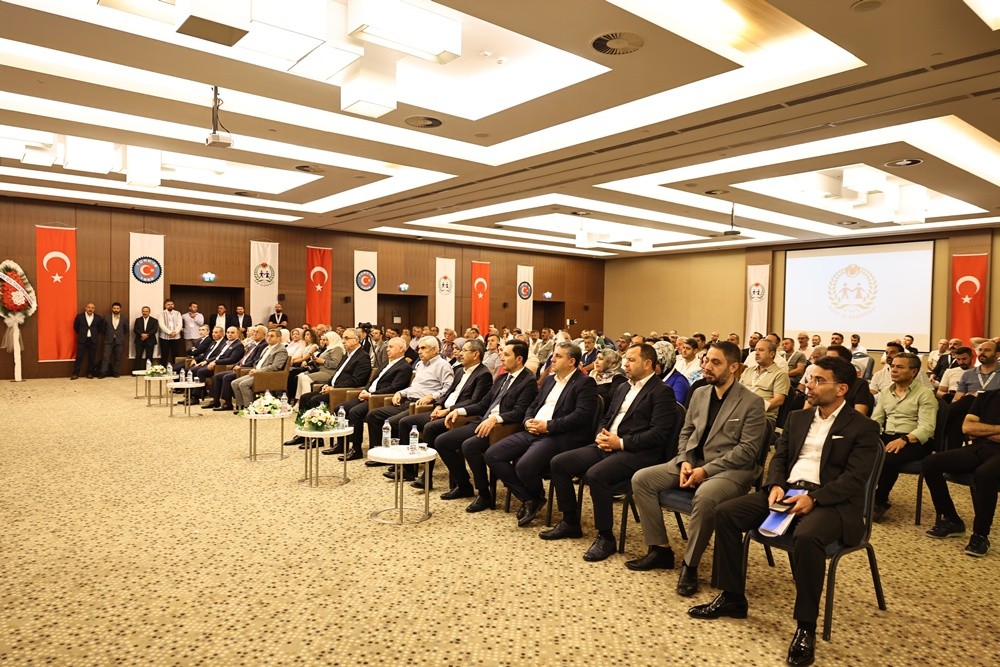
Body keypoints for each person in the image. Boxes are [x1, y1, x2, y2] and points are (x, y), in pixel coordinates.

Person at [688, 356, 880, 667]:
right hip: (788, 491)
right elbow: (780, 457)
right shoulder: (797, 418)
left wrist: (814, 499)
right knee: (726, 513)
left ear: (841, 389)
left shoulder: (863, 427)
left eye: (818, 380)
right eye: (810, 378)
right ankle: (733, 596)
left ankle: (805, 626)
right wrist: (775, 484)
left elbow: (855, 479)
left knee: (807, 536)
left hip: (832, 502)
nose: (808, 385)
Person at [627, 341, 766, 598]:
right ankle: (660, 549)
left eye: (716, 362)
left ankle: (689, 565)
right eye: (706, 360)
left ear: (733, 367)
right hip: (693, 462)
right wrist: (685, 461)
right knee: (642, 479)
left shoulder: (752, 402)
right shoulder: (700, 393)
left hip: (730, 471)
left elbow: (747, 451)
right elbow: (686, 432)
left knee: (705, 496)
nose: (707, 367)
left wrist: (706, 471)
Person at [541, 343, 678, 562]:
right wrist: (600, 435)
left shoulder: (662, 392)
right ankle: (570, 522)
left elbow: (657, 435)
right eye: (625, 359)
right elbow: (607, 418)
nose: (626, 364)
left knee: (596, 475)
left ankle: (605, 537)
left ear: (647, 364)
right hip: (608, 445)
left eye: (631, 360)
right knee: (559, 463)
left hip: (638, 453)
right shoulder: (623, 387)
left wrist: (620, 443)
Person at [485, 342, 598, 527]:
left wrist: (548, 426)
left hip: (556, 436)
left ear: (571, 361)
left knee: (524, 465)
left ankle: (534, 498)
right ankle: (531, 498)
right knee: (493, 455)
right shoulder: (550, 380)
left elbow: (581, 416)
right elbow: (534, 405)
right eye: (553, 355)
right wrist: (527, 420)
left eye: (558, 356)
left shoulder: (585, 383)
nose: (552, 359)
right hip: (533, 430)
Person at [437, 341, 539, 509]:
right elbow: (483, 404)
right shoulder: (502, 378)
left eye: (506, 354)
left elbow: (519, 412)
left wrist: (496, 419)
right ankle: (464, 485)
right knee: (443, 441)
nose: (501, 357)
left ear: (519, 359)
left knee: (470, 446)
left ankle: (484, 494)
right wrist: (459, 411)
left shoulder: (528, 381)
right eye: (502, 353)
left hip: (503, 429)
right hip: (484, 422)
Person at [394, 338, 492, 486]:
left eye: (465, 351)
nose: (460, 353)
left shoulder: (483, 374)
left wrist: (448, 410)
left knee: (430, 428)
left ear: (476, 354)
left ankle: (427, 476)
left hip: (460, 415)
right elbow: (447, 393)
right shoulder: (459, 371)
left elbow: (474, 401)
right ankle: (408, 469)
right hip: (443, 410)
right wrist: (439, 406)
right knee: (405, 422)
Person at [923, 389, 1000, 557]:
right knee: (930, 463)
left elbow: (975, 429)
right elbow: (967, 427)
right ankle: (952, 520)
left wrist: (984, 431)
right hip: (979, 448)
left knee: (984, 474)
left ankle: (980, 535)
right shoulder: (986, 397)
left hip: (990, 451)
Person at [365, 336, 454, 477]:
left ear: (434, 350)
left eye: (423, 348)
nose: (419, 351)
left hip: (422, 405)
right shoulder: (420, 365)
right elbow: (413, 388)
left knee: (395, 422)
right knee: (374, 414)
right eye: (419, 348)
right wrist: (400, 393)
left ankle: (407, 467)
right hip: (407, 401)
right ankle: (383, 455)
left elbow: (448, 388)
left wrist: (432, 396)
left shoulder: (443, 365)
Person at [870, 352, 937, 522]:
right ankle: (860, 496)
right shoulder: (886, 392)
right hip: (888, 436)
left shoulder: (925, 394)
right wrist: (869, 436)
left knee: (888, 458)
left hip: (915, 440)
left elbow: (927, 428)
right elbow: (876, 420)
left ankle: (879, 501)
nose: (893, 370)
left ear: (913, 372)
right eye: (892, 366)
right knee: (855, 451)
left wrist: (904, 440)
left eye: (900, 367)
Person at [283, 329, 373, 450]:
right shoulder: (347, 355)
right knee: (305, 398)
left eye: (346, 338)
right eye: (343, 338)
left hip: (342, 392)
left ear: (356, 340)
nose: (343, 341)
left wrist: (334, 388)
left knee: (315, 400)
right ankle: (303, 433)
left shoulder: (363, 357)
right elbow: (337, 374)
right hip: (334, 388)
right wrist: (327, 384)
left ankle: (317, 438)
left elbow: (357, 381)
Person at [203, 326, 267, 411]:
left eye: (257, 332)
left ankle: (227, 403)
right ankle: (216, 401)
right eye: (253, 331)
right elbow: (243, 358)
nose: (254, 333)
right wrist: (237, 365)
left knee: (226, 377)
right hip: (240, 366)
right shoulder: (252, 344)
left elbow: (255, 360)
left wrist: (241, 366)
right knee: (217, 376)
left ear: (264, 334)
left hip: (247, 369)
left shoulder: (263, 345)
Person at [230, 329, 288, 410]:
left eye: (272, 336)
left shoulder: (281, 350)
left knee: (243, 384)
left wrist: (258, 371)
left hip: (266, 375)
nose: (269, 338)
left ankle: (249, 407)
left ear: (279, 338)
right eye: (268, 336)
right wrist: (254, 369)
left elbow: (275, 367)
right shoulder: (267, 348)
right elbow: (258, 361)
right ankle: (241, 406)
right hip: (257, 372)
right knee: (234, 383)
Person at [187, 326, 244, 402]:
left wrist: (216, 362)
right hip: (215, 363)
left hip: (222, 366)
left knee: (200, 371)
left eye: (232, 333)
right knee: (193, 369)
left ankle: (196, 397)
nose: (230, 334)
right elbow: (217, 356)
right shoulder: (227, 343)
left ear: (237, 334)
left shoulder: (238, 345)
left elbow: (232, 359)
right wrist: (207, 361)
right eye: (228, 332)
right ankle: (191, 395)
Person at [741, 338, 790, 426]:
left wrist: (753, 409)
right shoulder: (748, 371)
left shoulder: (780, 374)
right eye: (756, 350)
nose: (756, 353)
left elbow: (778, 400)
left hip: (763, 417)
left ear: (771, 354)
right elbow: (737, 392)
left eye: (761, 350)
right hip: (741, 413)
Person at [71, 303, 103, 379]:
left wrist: (93, 334)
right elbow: (76, 327)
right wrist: (82, 334)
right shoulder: (79, 317)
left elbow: (99, 328)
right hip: (82, 340)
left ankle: (89, 373)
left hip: (93, 340)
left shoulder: (98, 318)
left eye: (92, 308)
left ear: (94, 309)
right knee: (79, 357)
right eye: (89, 307)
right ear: (85, 308)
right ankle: (75, 373)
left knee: (92, 358)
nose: (90, 309)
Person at [99, 301, 128, 378]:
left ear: (120, 309)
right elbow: (103, 328)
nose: (116, 310)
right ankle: (103, 372)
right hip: (108, 341)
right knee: (105, 357)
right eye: (114, 308)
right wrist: (110, 334)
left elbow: (126, 330)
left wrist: (119, 335)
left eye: (117, 308)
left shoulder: (124, 318)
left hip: (119, 341)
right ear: (112, 309)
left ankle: (116, 372)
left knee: (118, 358)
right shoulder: (106, 317)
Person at [157, 299, 183, 366]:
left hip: (176, 337)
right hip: (164, 337)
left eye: (171, 304)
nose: (170, 305)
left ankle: (175, 368)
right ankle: (163, 368)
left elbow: (180, 324)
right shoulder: (161, 313)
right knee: (164, 354)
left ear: (173, 305)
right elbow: (161, 325)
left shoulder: (178, 313)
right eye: (168, 304)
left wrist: (175, 332)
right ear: (165, 306)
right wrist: (170, 332)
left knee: (175, 354)